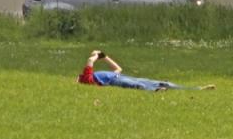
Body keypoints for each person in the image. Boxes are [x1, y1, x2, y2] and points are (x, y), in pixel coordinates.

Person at [78, 49, 215, 92]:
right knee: (136, 85)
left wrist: (104, 56)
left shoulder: (92, 77)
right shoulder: (87, 79)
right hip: (116, 81)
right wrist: (96, 55)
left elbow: (118, 68)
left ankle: (196, 89)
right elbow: (90, 61)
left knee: (162, 82)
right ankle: (155, 91)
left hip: (121, 76)